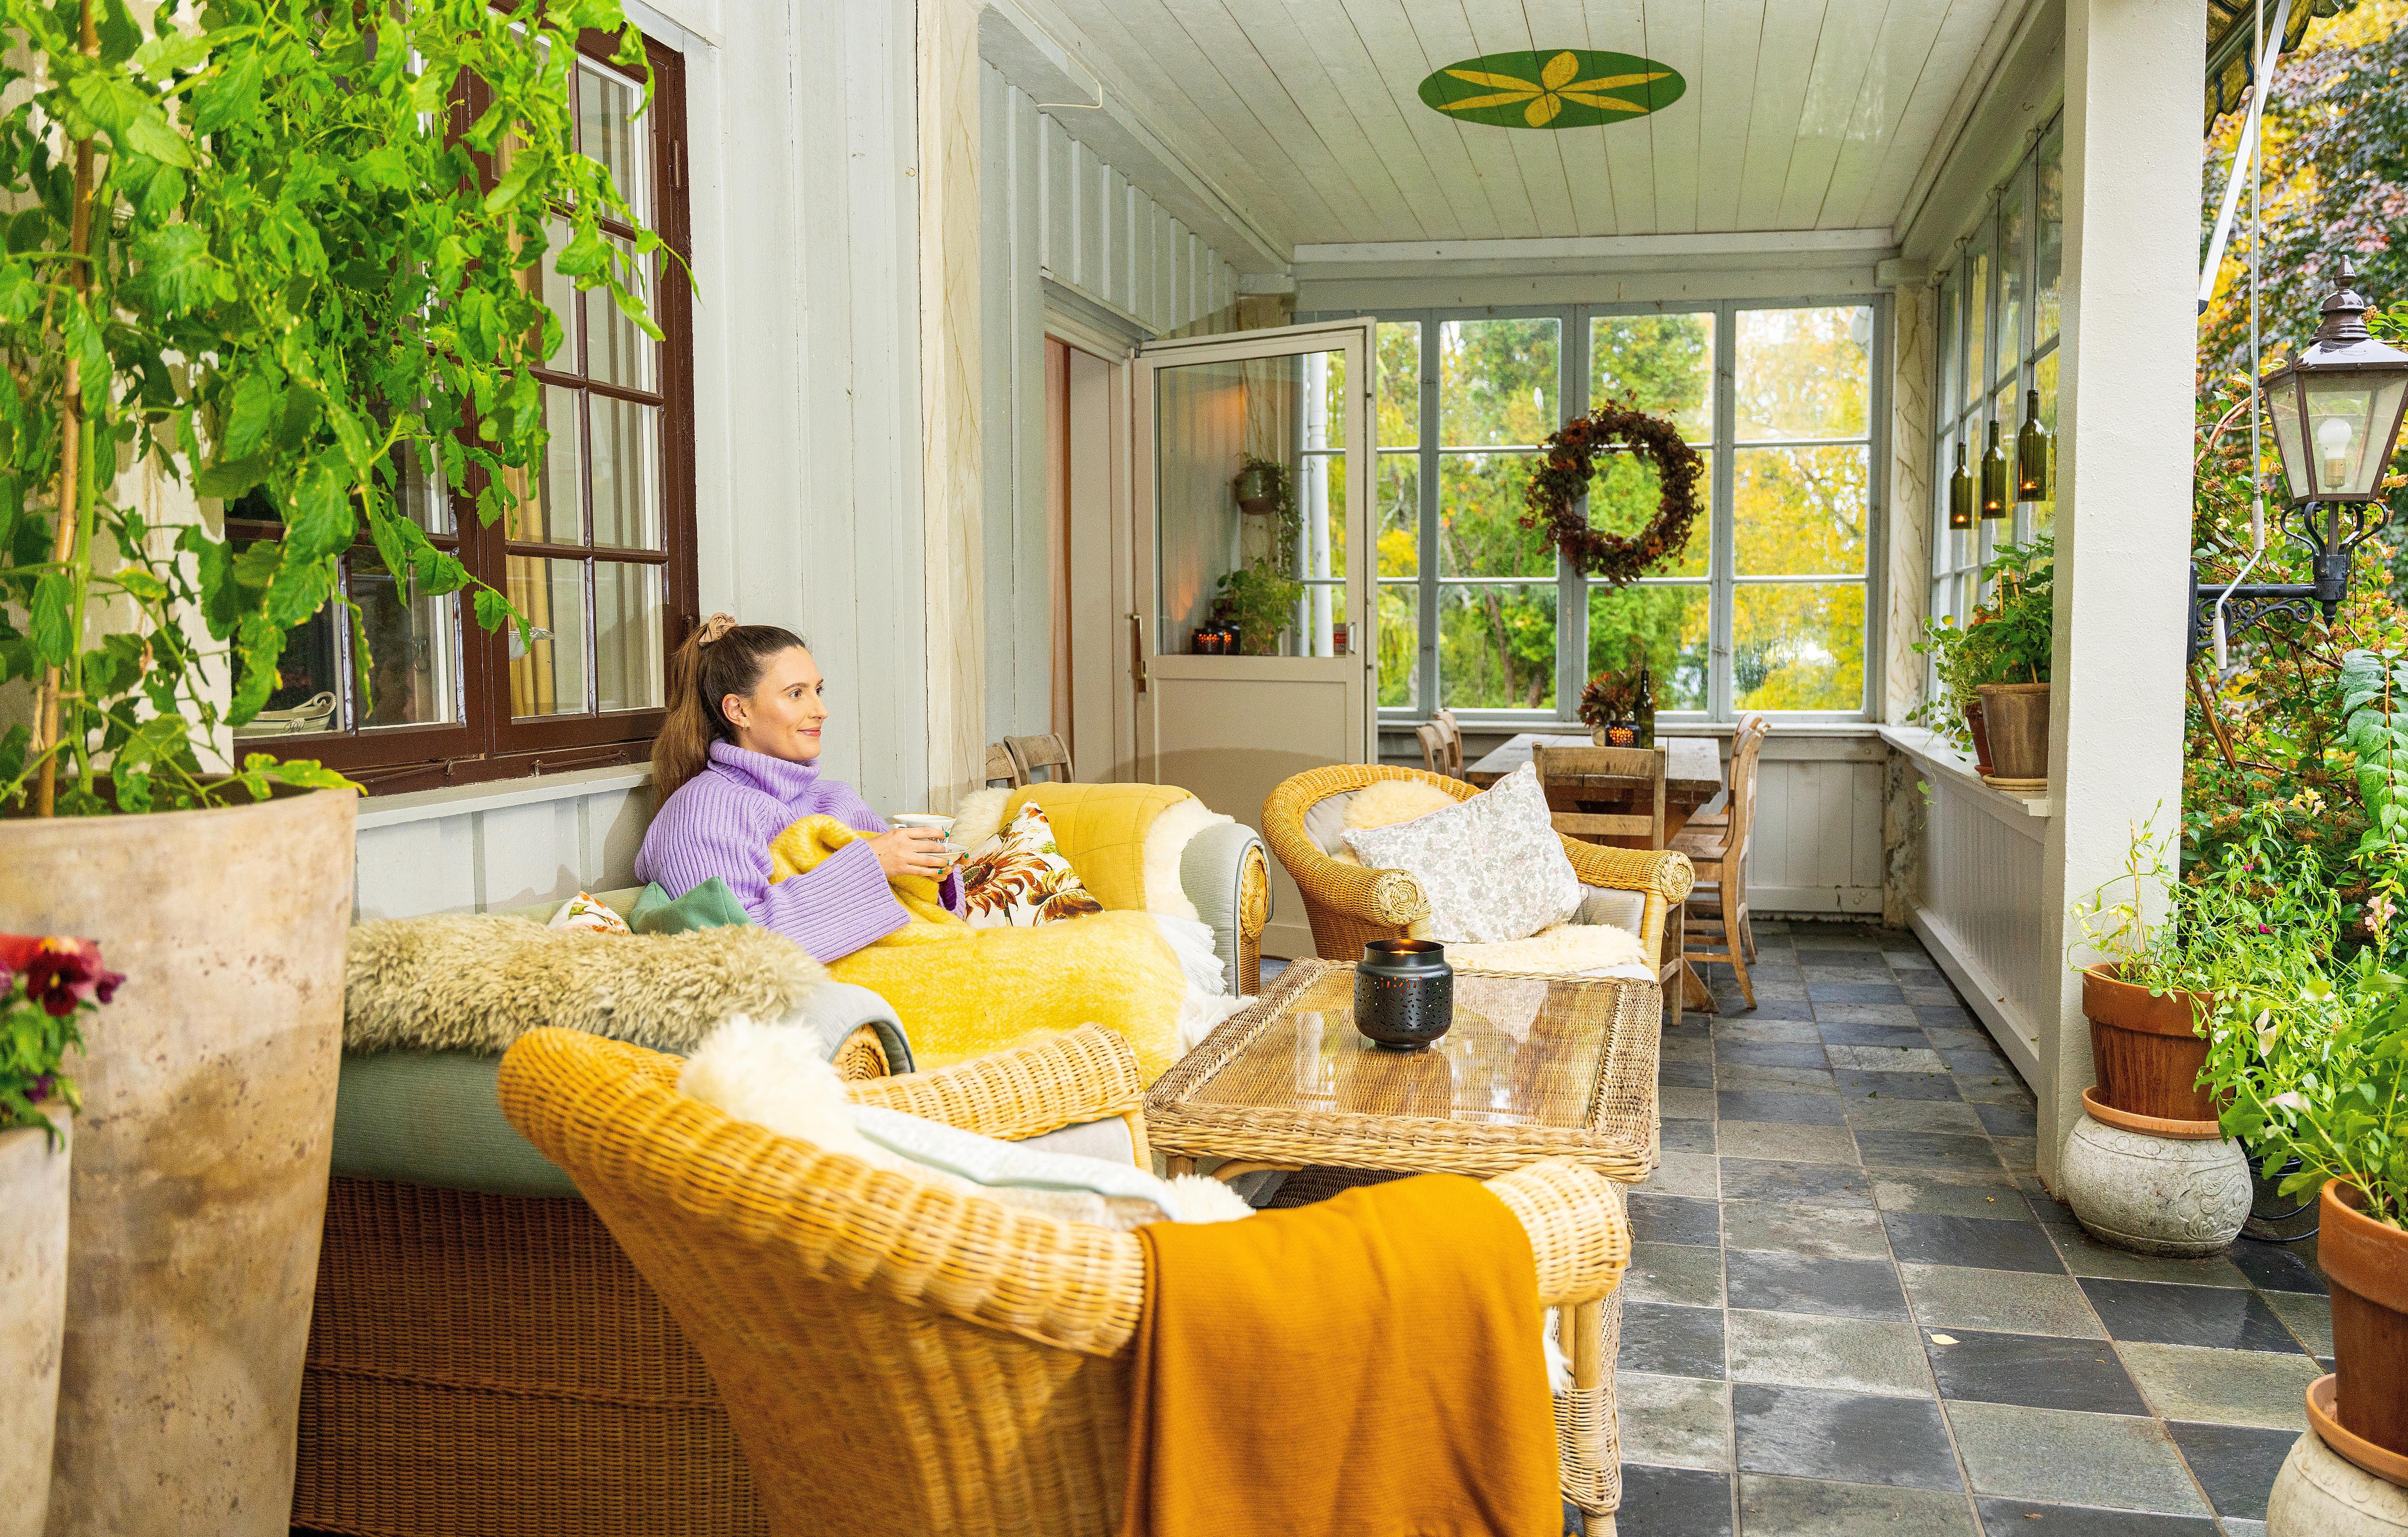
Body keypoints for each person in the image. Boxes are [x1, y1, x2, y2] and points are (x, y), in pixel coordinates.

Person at [636, 615, 956, 962]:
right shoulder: (702, 811)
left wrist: (938, 873)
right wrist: (873, 863)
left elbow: (927, 912)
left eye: (817, 691)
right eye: (796, 694)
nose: (821, 711)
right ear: (738, 710)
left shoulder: (835, 798)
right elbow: (736, 951)